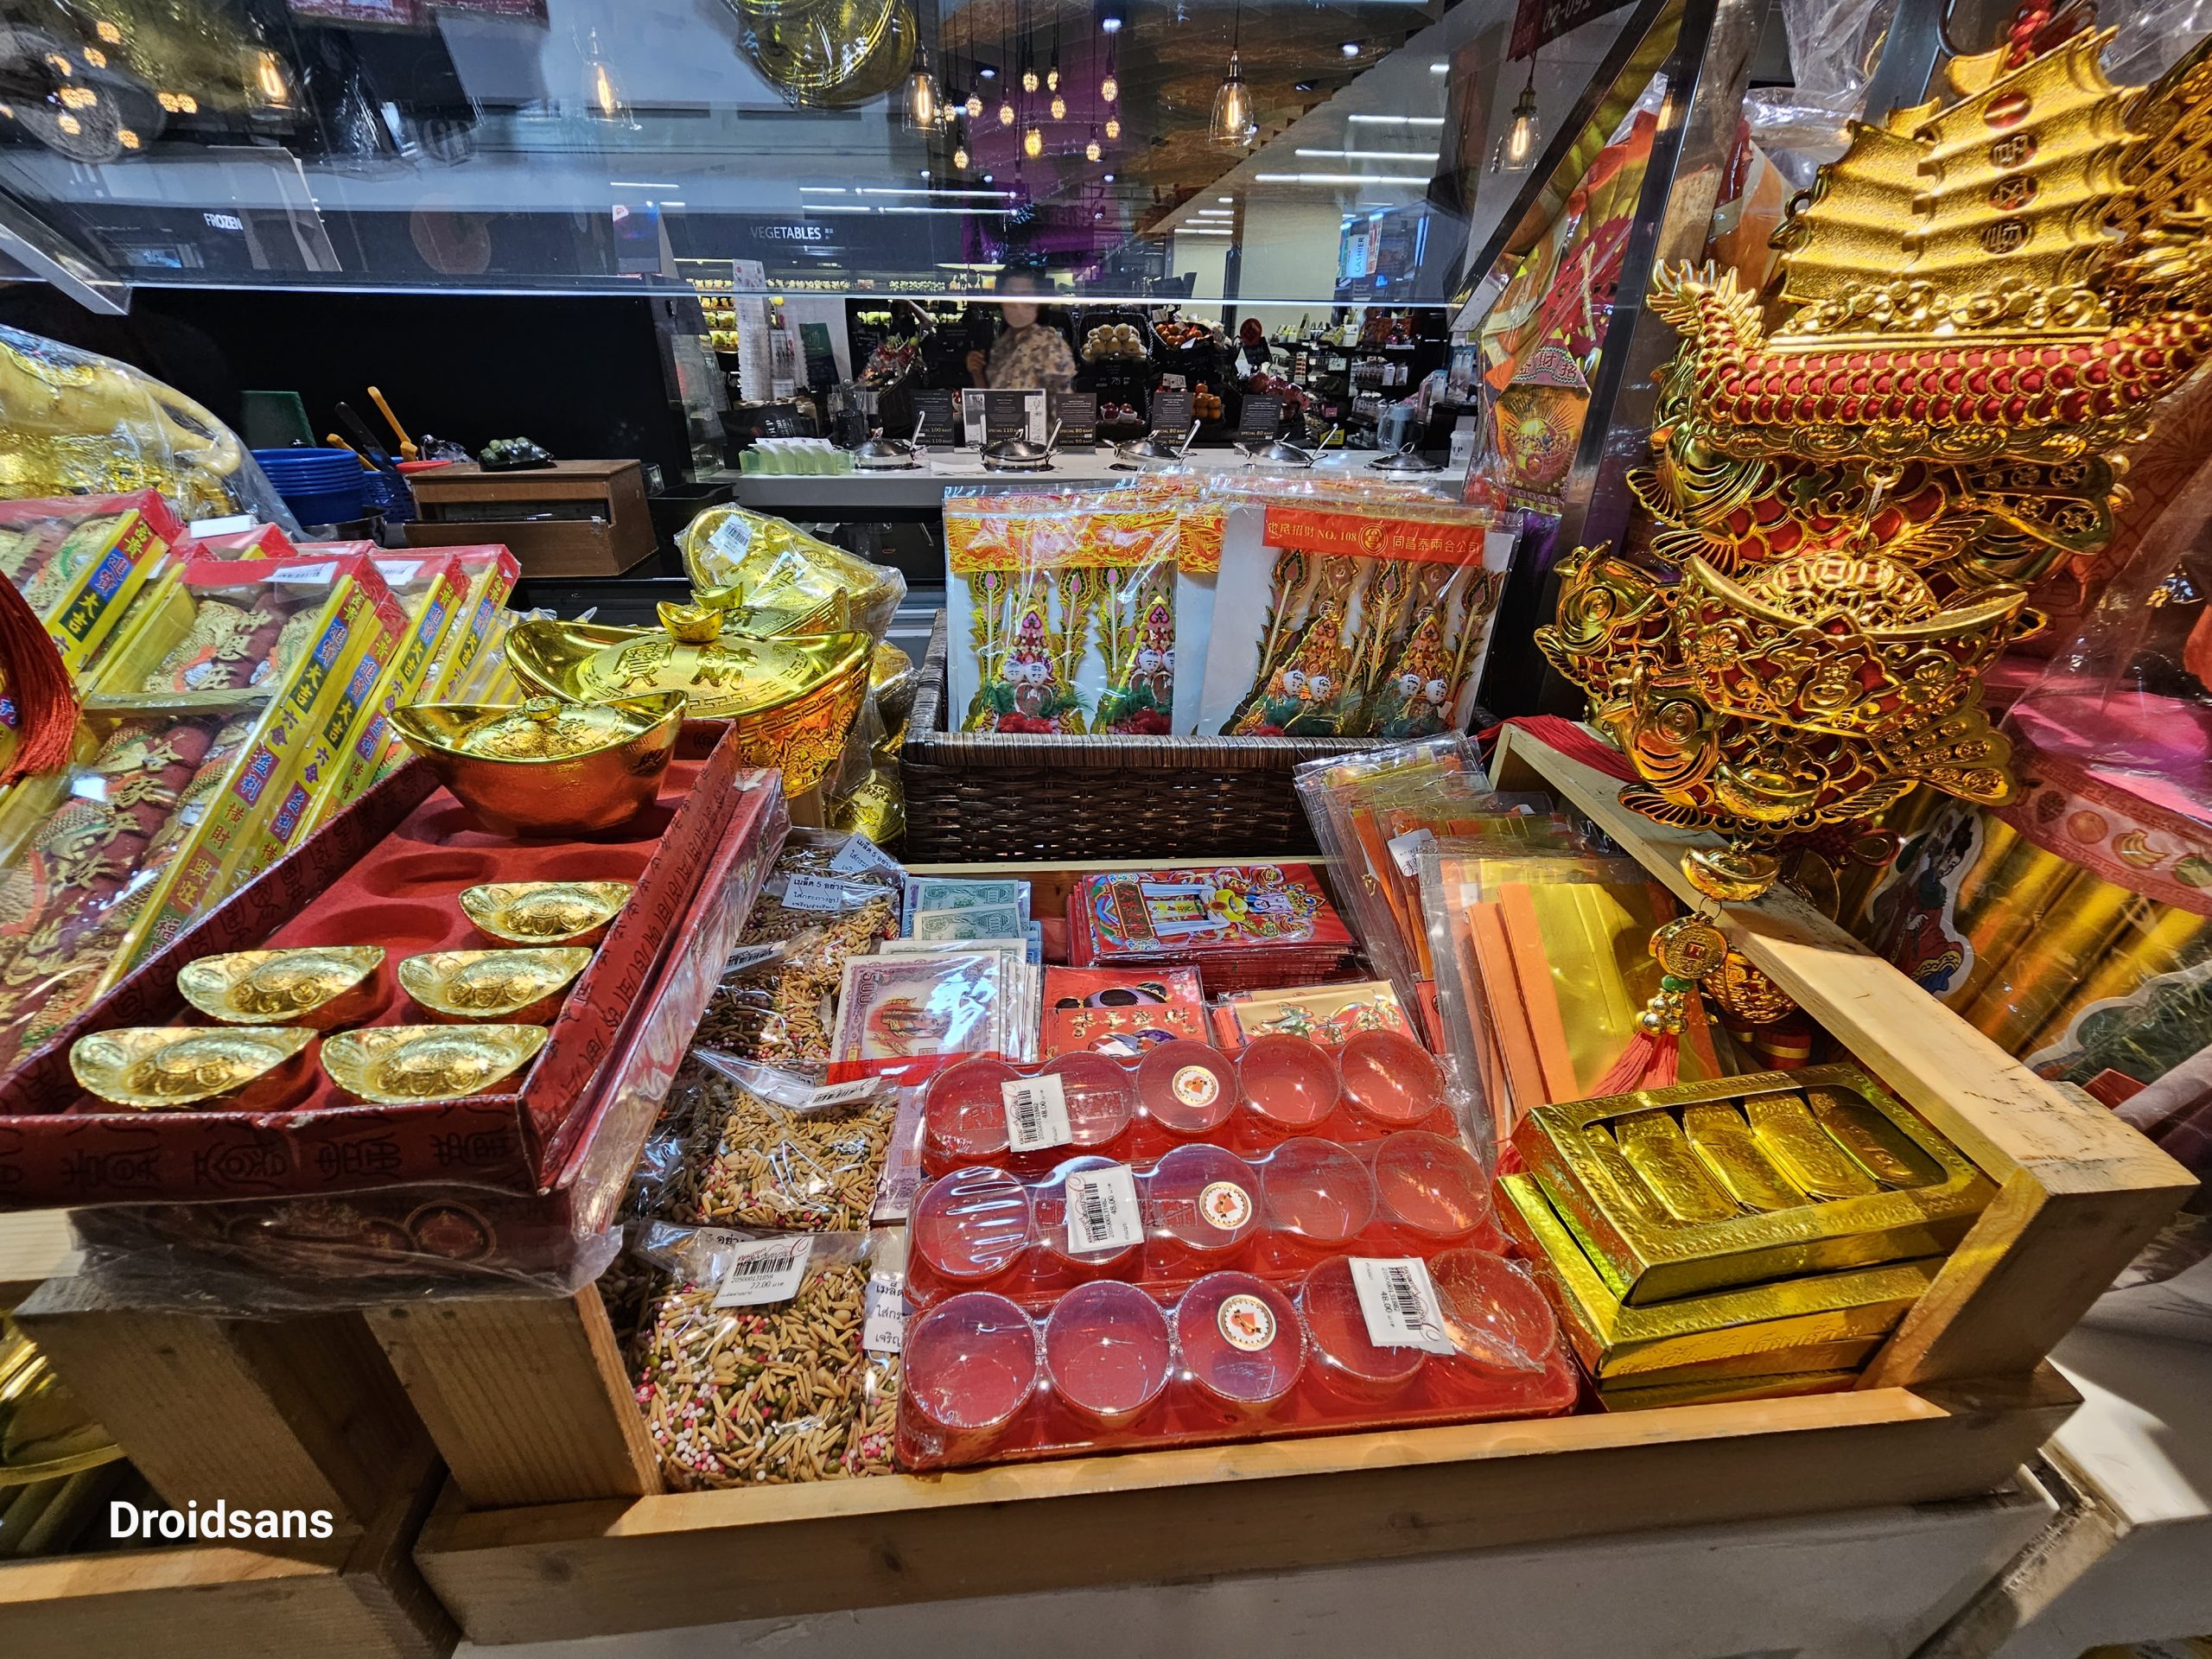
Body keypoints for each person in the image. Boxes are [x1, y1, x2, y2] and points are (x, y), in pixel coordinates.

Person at [965, 270, 1077, 392]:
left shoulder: (1051, 346)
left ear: (1037, 302)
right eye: (1011, 295)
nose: (1017, 304)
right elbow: (993, 400)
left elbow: (1062, 401)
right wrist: (977, 373)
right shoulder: (1000, 346)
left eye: (1025, 295)